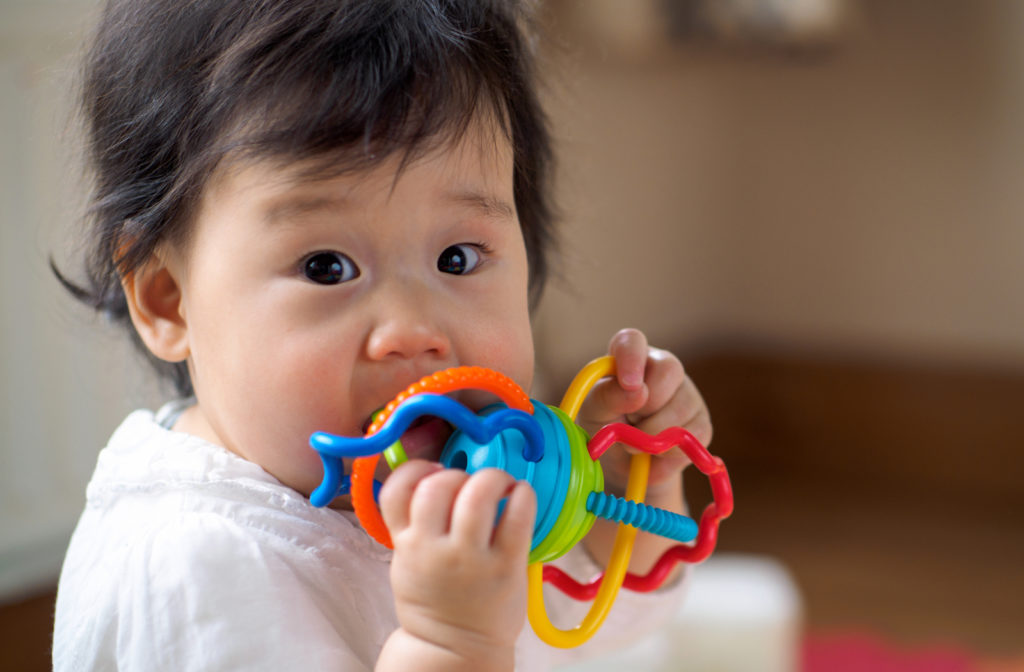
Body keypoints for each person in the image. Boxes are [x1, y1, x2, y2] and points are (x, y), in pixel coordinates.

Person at [52, 1, 713, 670]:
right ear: (170, 300)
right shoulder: (191, 569)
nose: (412, 332)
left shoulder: (450, 480)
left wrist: (619, 502)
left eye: (457, 257)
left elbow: (596, 630)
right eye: (327, 268)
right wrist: (448, 646)